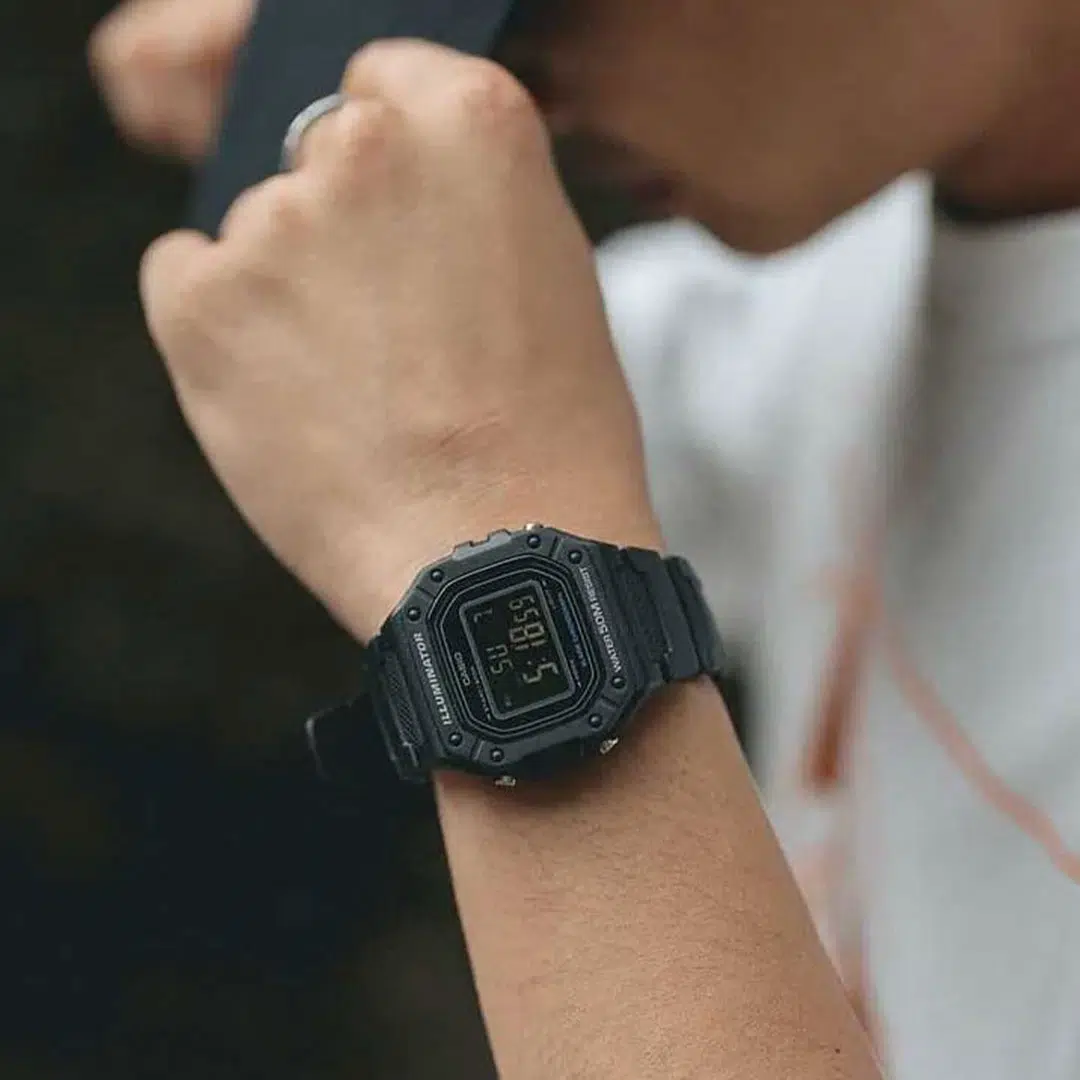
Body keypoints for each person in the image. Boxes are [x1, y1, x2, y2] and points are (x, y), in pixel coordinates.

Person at [90, 2, 1080, 1078]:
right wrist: (308, 87)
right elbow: (391, 363)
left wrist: (475, 502)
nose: (518, 84)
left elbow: (474, 444)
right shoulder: (844, 291)